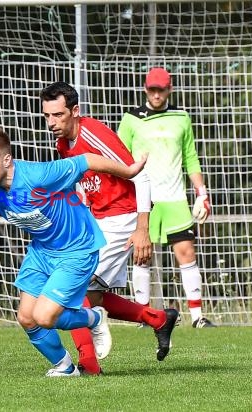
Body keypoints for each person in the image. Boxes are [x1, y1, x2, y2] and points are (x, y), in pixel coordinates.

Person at [0, 125, 152, 377]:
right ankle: (64, 366)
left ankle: (94, 318)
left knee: (44, 316)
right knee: (27, 317)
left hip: (77, 249)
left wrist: (129, 171)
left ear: (7, 160)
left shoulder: (39, 175)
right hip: (42, 252)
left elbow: (86, 160)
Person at [40, 81, 180, 374]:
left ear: (75, 111)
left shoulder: (94, 133)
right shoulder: (63, 143)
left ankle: (88, 366)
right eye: (47, 116)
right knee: (91, 297)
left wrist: (142, 229)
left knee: (72, 289)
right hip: (99, 219)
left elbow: (139, 177)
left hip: (123, 217)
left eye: (58, 115)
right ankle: (158, 318)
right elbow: (82, 184)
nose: (52, 123)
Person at [117, 67, 216, 328]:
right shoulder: (130, 119)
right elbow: (119, 159)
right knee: (142, 255)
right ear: (145, 89)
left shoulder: (181, 117)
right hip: (143, 199)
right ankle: (143, 316)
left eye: (161, 89)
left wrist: (202, 193)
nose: (156, 94)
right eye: (152, 89)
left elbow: (190, 158)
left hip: (174, 198)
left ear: (169, 89)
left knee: (186, 252)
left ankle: (197, 318)